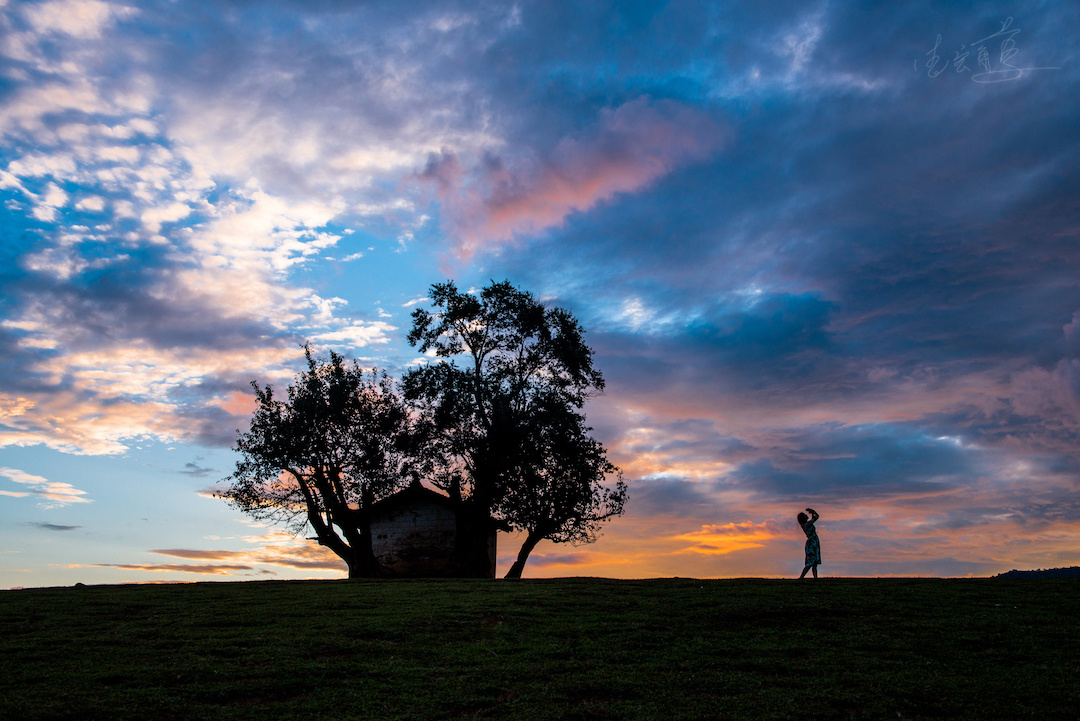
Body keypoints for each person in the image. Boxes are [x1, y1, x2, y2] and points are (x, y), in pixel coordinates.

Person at [797, 508, 821, 579]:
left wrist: (812, 513)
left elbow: (814, 518)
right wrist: (813, 512)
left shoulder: (806, 525)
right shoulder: (806, 525)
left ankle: (815, 578)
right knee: (810, 563)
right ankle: (801, 577)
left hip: (813, 543)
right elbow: (816, 517)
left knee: (814, 563)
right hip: (812, 544)